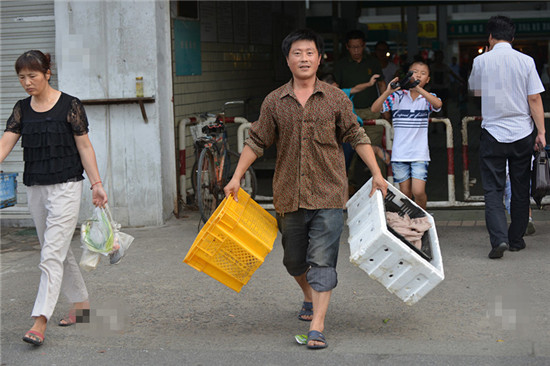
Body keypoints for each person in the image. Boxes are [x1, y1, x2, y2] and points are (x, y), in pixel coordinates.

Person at [224, 29, 387, 350]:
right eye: (297, 53)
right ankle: (309, 297)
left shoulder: (336, 98)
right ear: (288, 59)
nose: (304, 59)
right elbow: (256, 140)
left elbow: (356, 135)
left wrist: (377, 174)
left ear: (319, 57)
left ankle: (317, 326)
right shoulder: (274, 101)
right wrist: (235, 177)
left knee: (323, 260)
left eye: (309, 53)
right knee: (294, 262)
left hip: (329, 192)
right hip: (288, 194)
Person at [0, 50, 108, 346]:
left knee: (50, 254)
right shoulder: (22, 108)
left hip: (66, 186)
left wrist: (96, 184)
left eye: (32, 76)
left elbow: (85, 147)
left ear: (48, 73)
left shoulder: (70, 105)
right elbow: (5, 143)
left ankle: (40, 320)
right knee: (57, 249)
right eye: (21, 77)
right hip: (35, 187)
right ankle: (82, 305)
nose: (26, 82)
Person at [468, 16, 546, 259]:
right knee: (521, 187)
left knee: (493, 189)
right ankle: (516, 239)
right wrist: (541, 131)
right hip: (522, 132)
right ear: (513, 38)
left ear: (490, 37)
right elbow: (534, 98)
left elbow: (475, 91)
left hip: (493, 133)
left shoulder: (481, 60)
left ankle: (499, 239)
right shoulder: (526, 61)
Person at [371, 61, 442, 209]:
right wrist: (388, 91)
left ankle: (422, 217)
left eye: (423, 74)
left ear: (428, 79)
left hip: (420, 154)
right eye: (415, 72)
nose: (418, 75)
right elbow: (375, 108)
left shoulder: (427, 98)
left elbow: (438, 104)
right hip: (400, 154)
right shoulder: (397, 97)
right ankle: (410, 220)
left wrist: (417, 88)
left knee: (419, 191)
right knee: (405, 192)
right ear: (408, 75)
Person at [333, 30, 387, 179]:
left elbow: (382, 85)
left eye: (359, 47)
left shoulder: (373, 62)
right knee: (349, 152)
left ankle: (381, 189)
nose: (356, 50)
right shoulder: (341, 65)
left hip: (372, 111)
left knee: (375, 150)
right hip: (350, 115)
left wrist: (386, 109)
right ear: (347, 47)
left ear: (364, 46)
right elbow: (335, 88)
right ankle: (348, 188)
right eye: (352, 47)